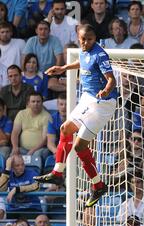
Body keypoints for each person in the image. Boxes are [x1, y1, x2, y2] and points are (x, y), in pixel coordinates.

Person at [34, 24, 117, 208]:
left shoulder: (100, 54)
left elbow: (111, 79)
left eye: (89, 39)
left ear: (95, 38)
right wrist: (63, 67)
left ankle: (98, 185)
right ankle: (57, 173)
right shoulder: (83, 51)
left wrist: (105, 90)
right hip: (88, 97)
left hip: (101, 103)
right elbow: (83, 61)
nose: (86, 42)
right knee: (65, 129)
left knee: (80, 146)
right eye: (83, 39)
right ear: (78, 38)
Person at [11, 91, 51, 161]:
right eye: (33, 101)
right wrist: (15, 147)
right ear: (28, 103)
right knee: (12, 156)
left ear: (42, 103)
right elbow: (15, 133)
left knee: (36, 157)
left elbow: (45, 139)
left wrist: (33, 150)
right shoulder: (21, 114)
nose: (36, 104)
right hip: (22, 149)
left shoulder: (47, 116)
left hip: (39, 150)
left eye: (38, 101)